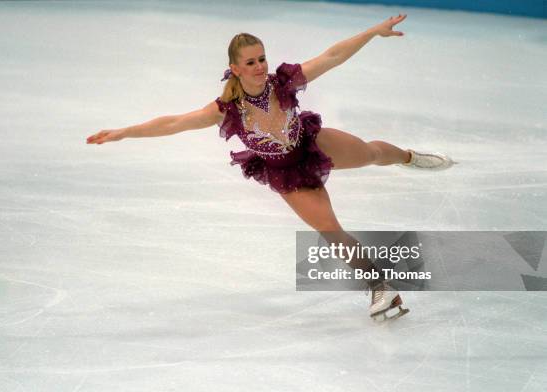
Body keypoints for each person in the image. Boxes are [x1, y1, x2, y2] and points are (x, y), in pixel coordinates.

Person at [86, 14, 455, 322]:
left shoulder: (284, 82)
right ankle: (379, 287)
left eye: (262, 58)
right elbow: (173, 123)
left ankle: (410, 157)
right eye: (251, 62)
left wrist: (372, 33)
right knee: (331, 230)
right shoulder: (226, 109)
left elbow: (331, 57)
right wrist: (122, 133)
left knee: (372, 153)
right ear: (234, 68)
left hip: (312, 142)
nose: (260, 66)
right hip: (287, 173)